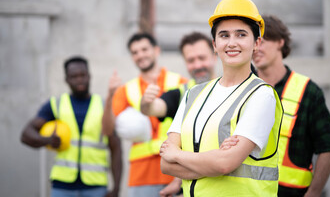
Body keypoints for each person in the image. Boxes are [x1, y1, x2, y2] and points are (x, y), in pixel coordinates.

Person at [159, 0, 284, 197]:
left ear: (256, 43)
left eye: (241, 34)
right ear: (215, 45)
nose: (231, 43)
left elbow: (225, 164)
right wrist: (213, 161)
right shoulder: (193, 94)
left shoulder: (261, 95)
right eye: (224, 35)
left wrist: (178, 154)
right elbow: (166, 165)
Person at [252, 15, 330, 197]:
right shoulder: (241, 87)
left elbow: (328, 146)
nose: (256, 47)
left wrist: (314, 192)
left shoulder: (308, 91)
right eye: (253, 41)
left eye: (263, 40)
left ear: (280, 42)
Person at [20, 56, 122, 197]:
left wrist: (116, 187)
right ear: (66, 79)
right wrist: (48, 140)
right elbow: (26, 134)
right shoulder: (56, 105)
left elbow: (116, 147)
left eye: (82, 75)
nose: (79, 79)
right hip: (62, 185)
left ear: (89, 76)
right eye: (74, 76)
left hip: (96, 185)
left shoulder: (103, 106)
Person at [102, 33, 187, 197]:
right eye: (135, 52)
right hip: (141, 176)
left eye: (144, 49)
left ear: (156, 50)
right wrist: (110, 96)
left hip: (177, 172)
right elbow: (107, 130)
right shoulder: (125, 90)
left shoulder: (181, 82)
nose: (140, 55)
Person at [140, 31, 217, 197]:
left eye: (201, 58)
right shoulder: (181, 94)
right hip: (190, 189)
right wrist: (146, 102)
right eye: (190, 60)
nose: (197, 65)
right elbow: (153, 108)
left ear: (215, 56)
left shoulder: (234, 90)